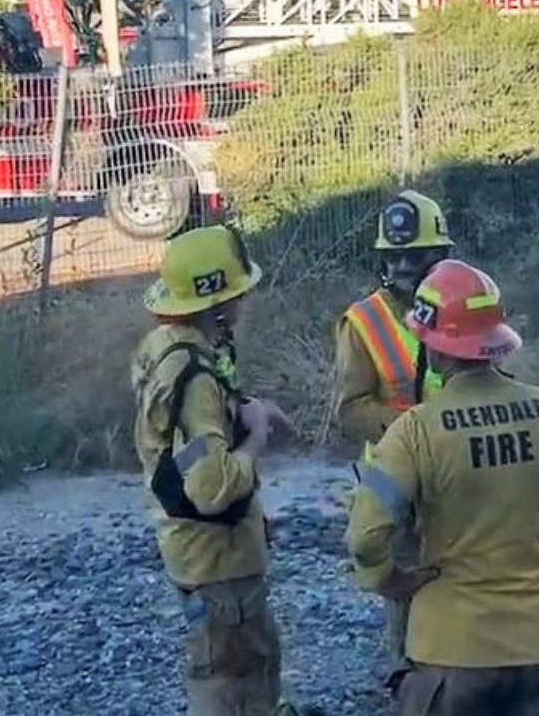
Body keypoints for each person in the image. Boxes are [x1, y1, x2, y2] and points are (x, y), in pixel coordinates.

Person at [345, 259, 539, 716]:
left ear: (435, 350)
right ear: (496, 344)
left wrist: (393, 581)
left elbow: (365, 538)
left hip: (450, 656)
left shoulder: (413, 431)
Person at [131, 223, 301, 716]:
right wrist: (256, 438)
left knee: (242, 659)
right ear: (218, 305)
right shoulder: (197, 376)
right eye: (237, 293)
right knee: (231, 674)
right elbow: (212, 486)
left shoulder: (167, 348)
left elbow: (181, 444)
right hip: (218, 561)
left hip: (195, 549)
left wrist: (247, 409)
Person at [334, 190, 454, 678]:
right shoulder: (363, 322)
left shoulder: (462, 304)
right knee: (407, 589)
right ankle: (409, 681)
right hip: (399, 481)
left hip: (461, 474)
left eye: (417, 255)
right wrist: (416, 432)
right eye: (396, 255)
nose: (405, 265)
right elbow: (350, 410)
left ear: (440, 256)